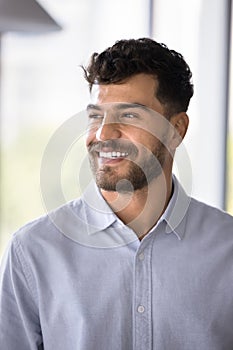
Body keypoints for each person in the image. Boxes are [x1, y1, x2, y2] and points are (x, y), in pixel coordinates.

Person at [0, 38, 233, 350]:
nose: (103, 134)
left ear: (177, 128)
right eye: (96, 116)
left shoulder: (227, 249)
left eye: (130, 116)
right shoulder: (32, 251)